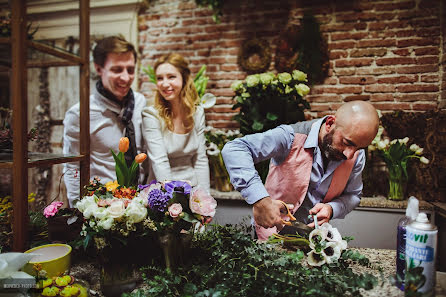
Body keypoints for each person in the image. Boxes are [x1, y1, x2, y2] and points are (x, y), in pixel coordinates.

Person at [221, 100, 379, 240]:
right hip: (269, 236)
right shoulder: (289, 137)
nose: (349, 154)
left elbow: (353, 195)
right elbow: (235, 149)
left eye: (359, 147)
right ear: (330, 123)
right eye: (347, 142)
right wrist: (260, 201)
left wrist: (332, 208)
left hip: (314, 239)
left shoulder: (356, 155)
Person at [63, 35, 147, 206]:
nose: (125, 78)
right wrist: (77, 211)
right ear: (98, 68)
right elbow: (72, 168)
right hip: (103, 208)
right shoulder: (80, 114)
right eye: (117, 70)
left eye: (130, 70)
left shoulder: (139, 102)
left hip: (141, 204)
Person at [141, 53, 210, 190]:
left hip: (193, 189)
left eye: (171, 77)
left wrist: (205, 200)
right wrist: (172, 202)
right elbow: (160, 162)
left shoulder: (197, 113)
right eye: (160, 78)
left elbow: (200, 160)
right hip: (162, 191)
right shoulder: (151, 115)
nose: (165, 84)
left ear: (184, 79)